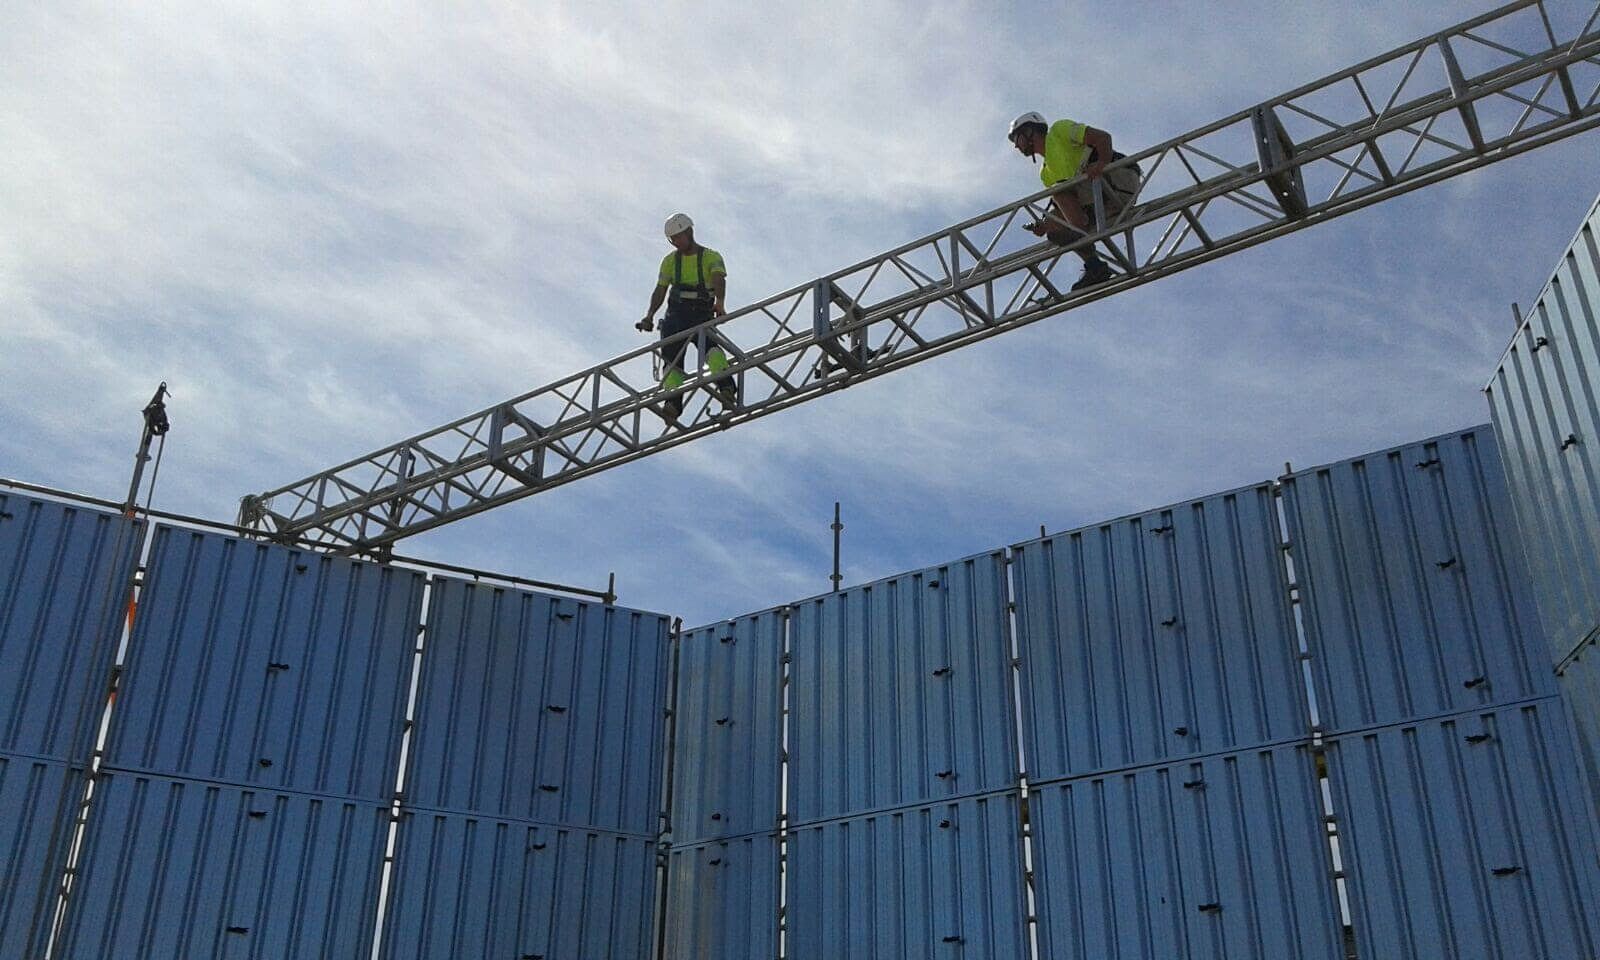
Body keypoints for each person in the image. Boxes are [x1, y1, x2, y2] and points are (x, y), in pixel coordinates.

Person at [1008, 111, 1141, 291]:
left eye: (1017, 138)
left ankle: (1078, 232)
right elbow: (1064, 204)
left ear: (1030, 131)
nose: (1016, 146)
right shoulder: (1046, 173)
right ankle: (1094, 266)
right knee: (1054, 225)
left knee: (1059, 192)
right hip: (1098, 200)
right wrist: (1045, 225)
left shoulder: (1059, 131)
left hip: (1118, 181)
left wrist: (1101, 163)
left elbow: (1103, 138)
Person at [636, 213, 735, 421]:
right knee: (671, 361)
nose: (677, 242)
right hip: (675, 314)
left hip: (701, 312)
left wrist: (720, 302)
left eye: (679, 237)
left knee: (712, 351)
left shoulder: (710, 256)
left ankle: (726, 388)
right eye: (673, 239)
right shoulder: (670, 262)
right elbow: (660, 290)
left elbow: (718, 279)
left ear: (689, 232)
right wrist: (649, 316)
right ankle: (672, 403)